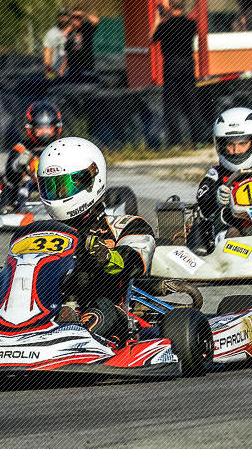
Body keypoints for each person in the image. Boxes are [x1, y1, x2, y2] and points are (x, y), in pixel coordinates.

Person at [28, 137, 156, 346]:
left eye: (64, 186)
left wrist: (106, 257)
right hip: (46, 311)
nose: (58, 194)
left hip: (109, 313)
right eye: (51, 187)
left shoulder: (126, 226)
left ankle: (72, 338)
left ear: (90, 180)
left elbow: (133, 263)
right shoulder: (42, 234)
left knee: (102, 308)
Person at [189, 107, 252, 253]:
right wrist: (216, 197)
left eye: (242, 143)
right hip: (235, 231)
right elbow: (203, 199)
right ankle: (231, 259)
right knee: (229, 225)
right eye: (230, 145)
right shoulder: (217, 174)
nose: (236, 151)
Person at [151, 0, 203, 146]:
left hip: (171, 63)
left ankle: (175, 140)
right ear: (183, 5)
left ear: (170, 5)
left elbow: (151, 39)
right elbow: (193, 30)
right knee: (192, 100)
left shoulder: (165, 25)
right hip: (187, 62)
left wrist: (158, 20)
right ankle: (198, 138)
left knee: (171, 102)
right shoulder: (190, 24)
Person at [1, 100, 62, 209]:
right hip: (29, 193)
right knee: (8, 185)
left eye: (49, 129)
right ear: (31, 128)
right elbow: (10, 176)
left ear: (56, 127)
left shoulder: (63, 146)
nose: (44, 133)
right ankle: (8, 209)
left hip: (61, 189)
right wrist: (19, 164)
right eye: (40, 129)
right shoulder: (21, 148)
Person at [62, 9, 100, 83]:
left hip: (86, 69)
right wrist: (62, 70)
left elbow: (96, 20)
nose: (77, 20)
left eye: (79, 18)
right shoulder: (69, 32)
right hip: (73, 71)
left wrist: (83, 13)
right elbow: (66, 53)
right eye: (74, 18)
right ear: (71, 20)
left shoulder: (86, 28)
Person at [42, 11, 70, 80]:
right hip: (55, 72)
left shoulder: (73, 31)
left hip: (71, 72)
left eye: (65, 16)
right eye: (61, 16)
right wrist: (48, 69)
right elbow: (47, 51)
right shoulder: (52, 32)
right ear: (58, 18)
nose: (63, 18)